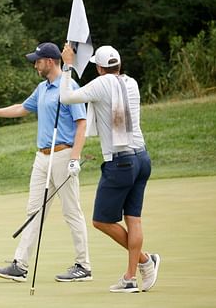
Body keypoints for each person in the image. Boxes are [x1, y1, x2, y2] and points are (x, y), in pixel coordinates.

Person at [0, 42, 92, 283]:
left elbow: (82, 122)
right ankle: (20, 265)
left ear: (50, 61)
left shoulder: (68, 86)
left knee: (71, 211)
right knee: (33, 212)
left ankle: (83, 265)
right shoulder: (42, 88)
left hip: (63, 155)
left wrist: (75, 157)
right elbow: (21, 108)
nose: (35, 65)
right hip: (42, 157)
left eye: (37, 61)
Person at [60, 44, 160, 293]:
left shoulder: (102, 83)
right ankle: (130, 276)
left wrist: (66, 66)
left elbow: (66, 97)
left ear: (99, 67)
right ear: (119, 65)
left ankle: (145, 260)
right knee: (133, 219)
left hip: (121, 162)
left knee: (101, 221)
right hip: (142, 158)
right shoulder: (132, 82)